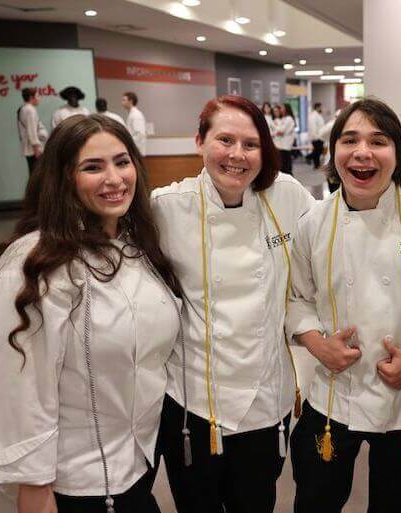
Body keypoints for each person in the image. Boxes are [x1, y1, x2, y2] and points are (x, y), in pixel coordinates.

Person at [0, 114, 184, 513]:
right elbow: (20, 384)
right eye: (93, 167)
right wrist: (35, 485)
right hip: (78, 483)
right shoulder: (36, 261)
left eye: (122, 162)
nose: (115, 178)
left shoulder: (136, 245)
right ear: (63, 179)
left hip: (139, 465)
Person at [151, 95, 315, 513]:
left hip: (266, 400)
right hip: (193, 403)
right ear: (199, 142)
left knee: (256, 503)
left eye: (251, 144)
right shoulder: (166, 207)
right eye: (225, 140)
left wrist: (394, 191)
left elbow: (337, 228)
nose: (237, 156)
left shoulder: (288, 197)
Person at [286, 98, 401, 513]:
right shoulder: (312, 223)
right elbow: (296, 298)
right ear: (333, 151)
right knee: (315, 502)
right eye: (349, 139)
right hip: (332, 394)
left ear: (398, 155)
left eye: (379, 141)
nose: (362, 152)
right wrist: (318, 345)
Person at [17, 87, 48, 174]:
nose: (39, 98)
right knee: (36, 175)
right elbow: (32, 131)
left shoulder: (25, 108)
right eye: (38, 96)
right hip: (34, 150)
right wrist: (36, 149)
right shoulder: (29, 110)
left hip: (33, 149)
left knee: (35, 174)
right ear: (31, 97)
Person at [273, 103, 296, 175]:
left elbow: (281, 131)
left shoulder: (289, 119)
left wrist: (276, 127)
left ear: (286, 109)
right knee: (282, 167)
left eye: (282, 108)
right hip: (281, 146)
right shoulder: (283, 119)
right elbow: (278, 131)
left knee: (286, 168)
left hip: (285, 146)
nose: (281, 110)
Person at [122, 91, 147, 156]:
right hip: (133, 150)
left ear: (131, 101)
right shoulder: (132, 114)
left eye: (124, 100)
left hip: (136, 150)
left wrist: (129, 144)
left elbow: (140, 134)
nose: (122, 102)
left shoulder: (136, 115)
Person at [308, 102, 325, 169]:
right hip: (316, 137)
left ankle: (310, 159)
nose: (322, 109)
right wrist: (316, 136)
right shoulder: (313, 115)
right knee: (317, 151)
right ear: (317, 107)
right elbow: (313, 127)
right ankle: (316, 165)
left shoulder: (318, 115)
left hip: (320, 136)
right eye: (321, 107)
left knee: (318, 151)